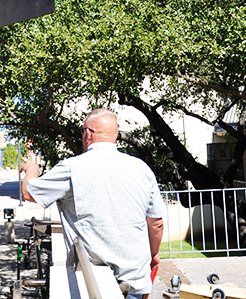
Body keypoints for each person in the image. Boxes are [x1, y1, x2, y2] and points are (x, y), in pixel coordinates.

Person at [20, 108, 165, 299]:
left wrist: (31, 169)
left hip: (93, 281)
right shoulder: (142, 169)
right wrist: (154, 254)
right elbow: (156, 223)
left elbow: (29, 193)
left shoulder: (72, 168)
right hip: (135, 279)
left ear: (88, 133)